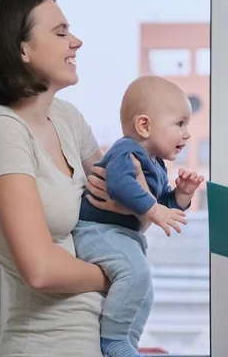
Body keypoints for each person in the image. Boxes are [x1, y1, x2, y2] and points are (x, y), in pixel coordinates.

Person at [0, 0, 145, 357]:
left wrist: (143, 199)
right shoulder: (1, 131)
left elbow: (125, 217)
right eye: (60, 32)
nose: (77, 42)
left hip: (95, 342)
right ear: (22, 48)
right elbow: (39, 270)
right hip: (43, 345)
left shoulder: (67, 119)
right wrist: (123, 276)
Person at [73, 75, 204, 357]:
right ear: (144, 125)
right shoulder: (126, 151)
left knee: (143, 290)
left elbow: (160, 204)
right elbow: (120, 186)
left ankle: (127, 342)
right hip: (97, 231)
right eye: (180, 124)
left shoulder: (155, 164)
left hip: (123, 236)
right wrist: (155, 210)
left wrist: (180, 196)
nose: (187, 134)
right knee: (137, 274)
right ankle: (113, 340)